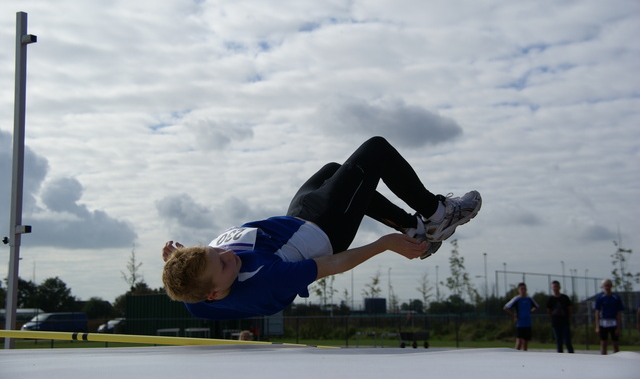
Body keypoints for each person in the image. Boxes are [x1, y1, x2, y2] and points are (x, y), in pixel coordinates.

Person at [161, 136, 482, 320]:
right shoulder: (267, 280)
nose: (226, 252)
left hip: (292, 221)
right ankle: (437, 214)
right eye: (221, 261)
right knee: (376, 151)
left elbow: (192, 282)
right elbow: (333, 264)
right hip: (324, 228)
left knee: (334, 171)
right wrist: (384, 244)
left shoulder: (197, 297)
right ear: (216, 291)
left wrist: (181, 258)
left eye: (213, 249)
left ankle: (414, 230)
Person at [503, 282, 539, 351]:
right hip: (520, 323)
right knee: (519, 341)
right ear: (518, 290)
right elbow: (506, 307)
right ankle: (516, 356)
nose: (523, 290)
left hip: (527, 322)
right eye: (521, 289)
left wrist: (530, 312)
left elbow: (537, 306)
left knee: (525, 342)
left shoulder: (529, 299)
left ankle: (525, 356)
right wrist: (514, 316)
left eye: (524, 289)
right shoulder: (517, 299)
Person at [594, 278, 624, 355]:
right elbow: (597, 312)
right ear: (603, 287)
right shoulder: (600, 298)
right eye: (605, 286)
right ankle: (603, 360)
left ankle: (617, 360)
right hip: (603, 323)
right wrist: (597, 326)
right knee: (603, 343)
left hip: (613, 322)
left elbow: (619, 313)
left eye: (608, 285)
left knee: (615, 344)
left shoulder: (616, 298)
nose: (607, 287)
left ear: (611, 286)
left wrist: (618, 327)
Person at [546, 280, 574, 353]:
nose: (555, 288)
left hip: (564, 322)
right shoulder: (551, 299)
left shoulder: (565, 298)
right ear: (551, 288)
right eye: (554, 287)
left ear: (559, 287)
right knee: (559, 341)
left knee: (567, 341)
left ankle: (572, 355)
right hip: (555, 322)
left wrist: (568, 316)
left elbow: (569, 309)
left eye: (557, 286)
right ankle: (560, 356)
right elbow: (549, 310)